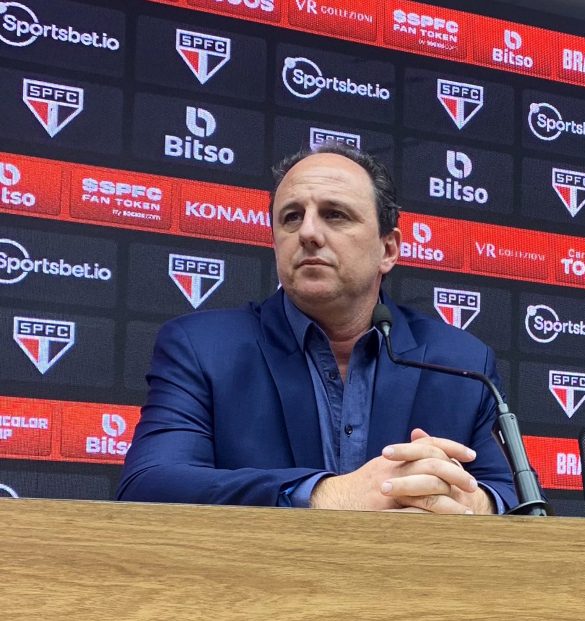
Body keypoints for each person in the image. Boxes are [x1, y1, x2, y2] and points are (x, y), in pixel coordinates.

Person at [117, 145, 516, 514]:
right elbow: (148, 485)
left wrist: (463, 500)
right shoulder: (201, 347)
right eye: (291, 217)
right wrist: (327, 495)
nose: (307, 232)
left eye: (334, 214)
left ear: (389, 249)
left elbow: (517, 500)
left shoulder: (464, 362)